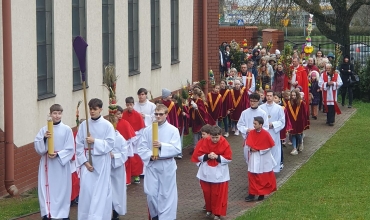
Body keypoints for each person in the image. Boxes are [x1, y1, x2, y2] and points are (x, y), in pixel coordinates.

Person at [137, 104, 181, 220]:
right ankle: (155, 215)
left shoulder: (173, 130)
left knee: (166, 195)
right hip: (152, 165)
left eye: (161, 114)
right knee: (151, 193)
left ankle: (166, 217)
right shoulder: (148, 130)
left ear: (166, 114)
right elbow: (141, 148)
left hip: (167, 166)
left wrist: (162, 146)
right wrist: (150, 155)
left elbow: (177, 149)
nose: (158, 116)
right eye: (156, 114)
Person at [76, 98, 115, 219]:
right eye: (90, 109)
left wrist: (95, 141)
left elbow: (110, 144)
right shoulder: (84, 125)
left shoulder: (107, 125)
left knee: (100, 192)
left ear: (101, 109)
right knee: (87, 192)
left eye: (95, 109)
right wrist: (85, 162)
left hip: (102, 161)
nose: (92, 111)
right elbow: (78, 145)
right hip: (88, 162)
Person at [34, 104, 74, 220]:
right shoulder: (44, 129)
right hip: (47, 164)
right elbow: (38, 146)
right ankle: (47, 212)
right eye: (55, 113)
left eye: (59, 113)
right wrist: (45, 138)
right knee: (46, 188)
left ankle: (62, 214)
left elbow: (70, 148)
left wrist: (58, 155)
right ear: (50, 114)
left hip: (61, 165)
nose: (57, 116)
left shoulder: (67, 130)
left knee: (62, 189)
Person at [191, 126, 232, 220]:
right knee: (207, 192)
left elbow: (228, 158)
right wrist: (207, 156)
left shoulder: (225, 143)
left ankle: (218, 213)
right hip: (207, 172)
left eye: (216, 137)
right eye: (213, 137)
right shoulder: (206, 141)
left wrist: (217, 157)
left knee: (218, 194)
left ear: (220, 136)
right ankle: (209, 209)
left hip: (219, 173)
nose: (214, 139)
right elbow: (199, 156)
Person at [244, 116, 277, 202]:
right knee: (252, 176)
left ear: (261, 125)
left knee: (262, 177)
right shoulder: (251, 133)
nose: (253, 125)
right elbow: (247, 144)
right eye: (253, 123)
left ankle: (261, 194)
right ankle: (251, 194)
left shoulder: (266, 134)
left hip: (263, 158)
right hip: (254, 157)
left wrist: (259, 149)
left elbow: (269, 146)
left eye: (255, 123)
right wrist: (251, 149)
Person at [260, 90, 285, 173]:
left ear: (273, 96)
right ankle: (265, 168)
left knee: (275, 150)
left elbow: (282, 121)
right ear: (265, 96)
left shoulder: (279, 108)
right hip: (264, 132)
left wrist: (273, 124)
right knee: (265, 149)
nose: (269, 97)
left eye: (271, 96)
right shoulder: (261, 108)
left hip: (274, 132)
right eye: (267, 96)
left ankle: (274, 169)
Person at [109, 117, 129, 220]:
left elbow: (124, 154)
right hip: (106, 169)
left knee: (117, 191)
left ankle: (116, 212)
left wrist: (114, 156)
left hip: (117, 170)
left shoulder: (120, 139)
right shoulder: (105, 138)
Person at [122, 97, 146, 184]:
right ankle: (128, 176)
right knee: (127, 158)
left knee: (136, 157)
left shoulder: (138, 115)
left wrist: (134, 138)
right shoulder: (123, 115)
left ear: (133, 105)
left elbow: (141, 129)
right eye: (127, 105)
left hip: (136, 139)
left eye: (131, 105)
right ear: (126, 105)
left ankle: (136, 175)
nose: (129, 107)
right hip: (126, 140)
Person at [115, 105, 138, 185]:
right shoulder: (112, 124)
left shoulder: (125, 123)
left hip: (126, 146)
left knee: (127, 164)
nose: (120, 115)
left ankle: (127, 180)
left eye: (121, 113)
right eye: (117, 114)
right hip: (115, 148)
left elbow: (131, 136)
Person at [287, 90, 309, 155]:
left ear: (297, 95)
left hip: (299, 121)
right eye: (292, 95)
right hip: (291, 121)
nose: (293, 97)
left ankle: (300, 142)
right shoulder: (289, 103)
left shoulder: (301, 103)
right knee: (293, 134)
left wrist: (305, 121)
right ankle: (294, 148)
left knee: (298, 134)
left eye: (294, 95)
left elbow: (304, 112)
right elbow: (287, 112)